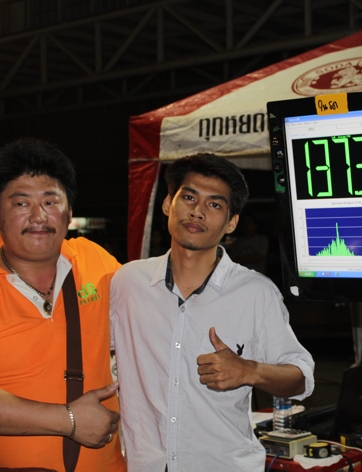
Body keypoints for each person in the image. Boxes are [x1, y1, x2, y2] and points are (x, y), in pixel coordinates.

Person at [0, 139, 126, 471]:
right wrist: (67, 420)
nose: (38, 216)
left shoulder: (95, 260)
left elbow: (156, 312)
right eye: (21, 203)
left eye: (51, 201)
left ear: (69, 211)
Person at [110, 154, 315, 471]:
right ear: (168, 203)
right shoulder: (128, 282)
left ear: (231, 222)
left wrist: (250, 371)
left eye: (215, 204)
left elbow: (301, 377)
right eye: (189, 197)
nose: (197, 211)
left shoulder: (256, 293)